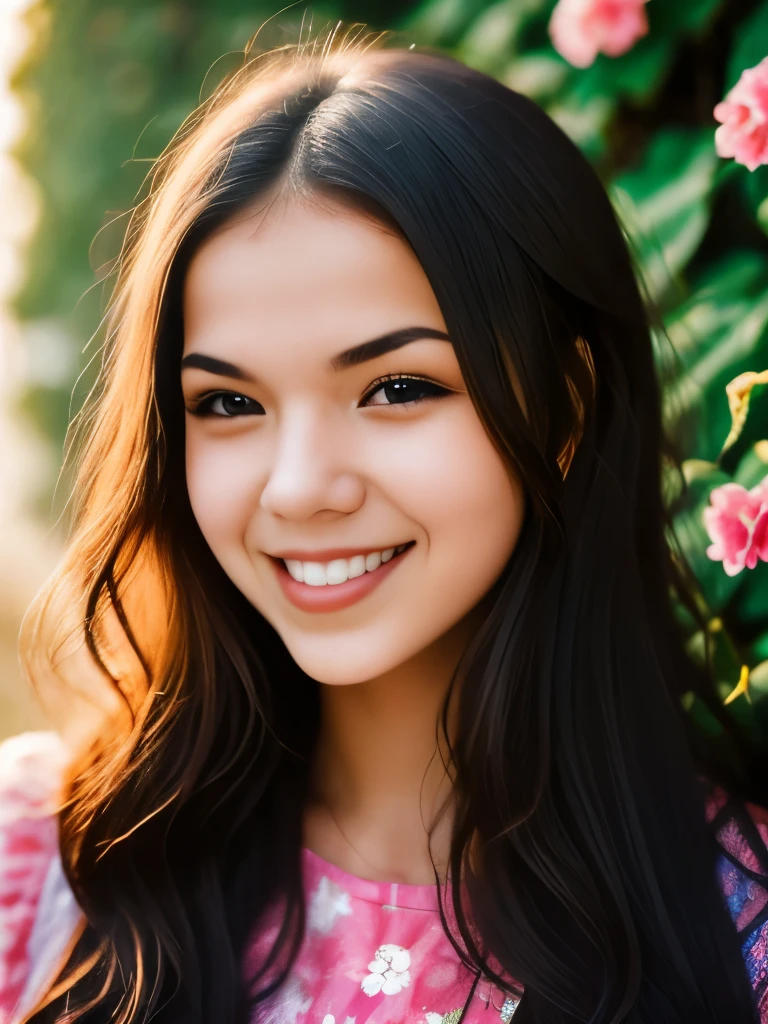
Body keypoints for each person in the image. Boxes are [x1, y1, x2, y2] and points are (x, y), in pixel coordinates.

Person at [1, 23, 767, 1024]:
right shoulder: (57, 870)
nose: (298, 487)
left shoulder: (735, 935)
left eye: (397, 387)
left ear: (566, 409)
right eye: (227, 403)